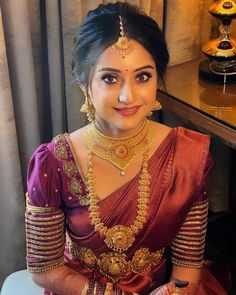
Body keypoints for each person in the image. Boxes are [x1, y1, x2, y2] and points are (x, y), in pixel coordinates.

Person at [25, 2, 229, 295]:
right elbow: (45, 269)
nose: (128, 95)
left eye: (143, 76)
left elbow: (188, 263)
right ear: (85, 83)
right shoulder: (53, 162)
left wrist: (176, 290)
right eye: (110, 78)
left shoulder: (188, 156)